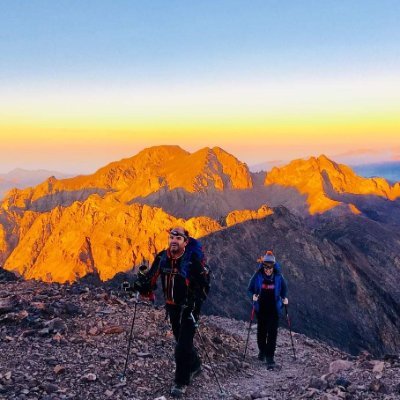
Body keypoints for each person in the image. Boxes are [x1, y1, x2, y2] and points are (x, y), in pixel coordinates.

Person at [134, 227, 209, 397]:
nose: (174, 240)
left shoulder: (191, 261)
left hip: (189, 309)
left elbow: (202, 285)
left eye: (179, 238)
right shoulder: (162, 258)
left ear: (185, 242)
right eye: (171, 237)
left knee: (181, 346)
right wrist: (141, 284)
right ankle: (196, 366)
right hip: (172, 307)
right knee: (181, 339)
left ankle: (181, 382)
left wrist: (193, 301)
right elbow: (151, 279)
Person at [247, 251, 288, 369]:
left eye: (270, 267)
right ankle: (262, 351)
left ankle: (270, 357)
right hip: (261, 309)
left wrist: (285, 299)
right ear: (263, 265)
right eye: (265, 267)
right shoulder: (257, 275)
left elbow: (284, 290)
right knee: (262, 332)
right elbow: (249, 289)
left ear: (273, 266)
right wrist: (253, 296)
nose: (267, 270)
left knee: (272, 333)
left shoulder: (279, 277)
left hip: (274, 309)